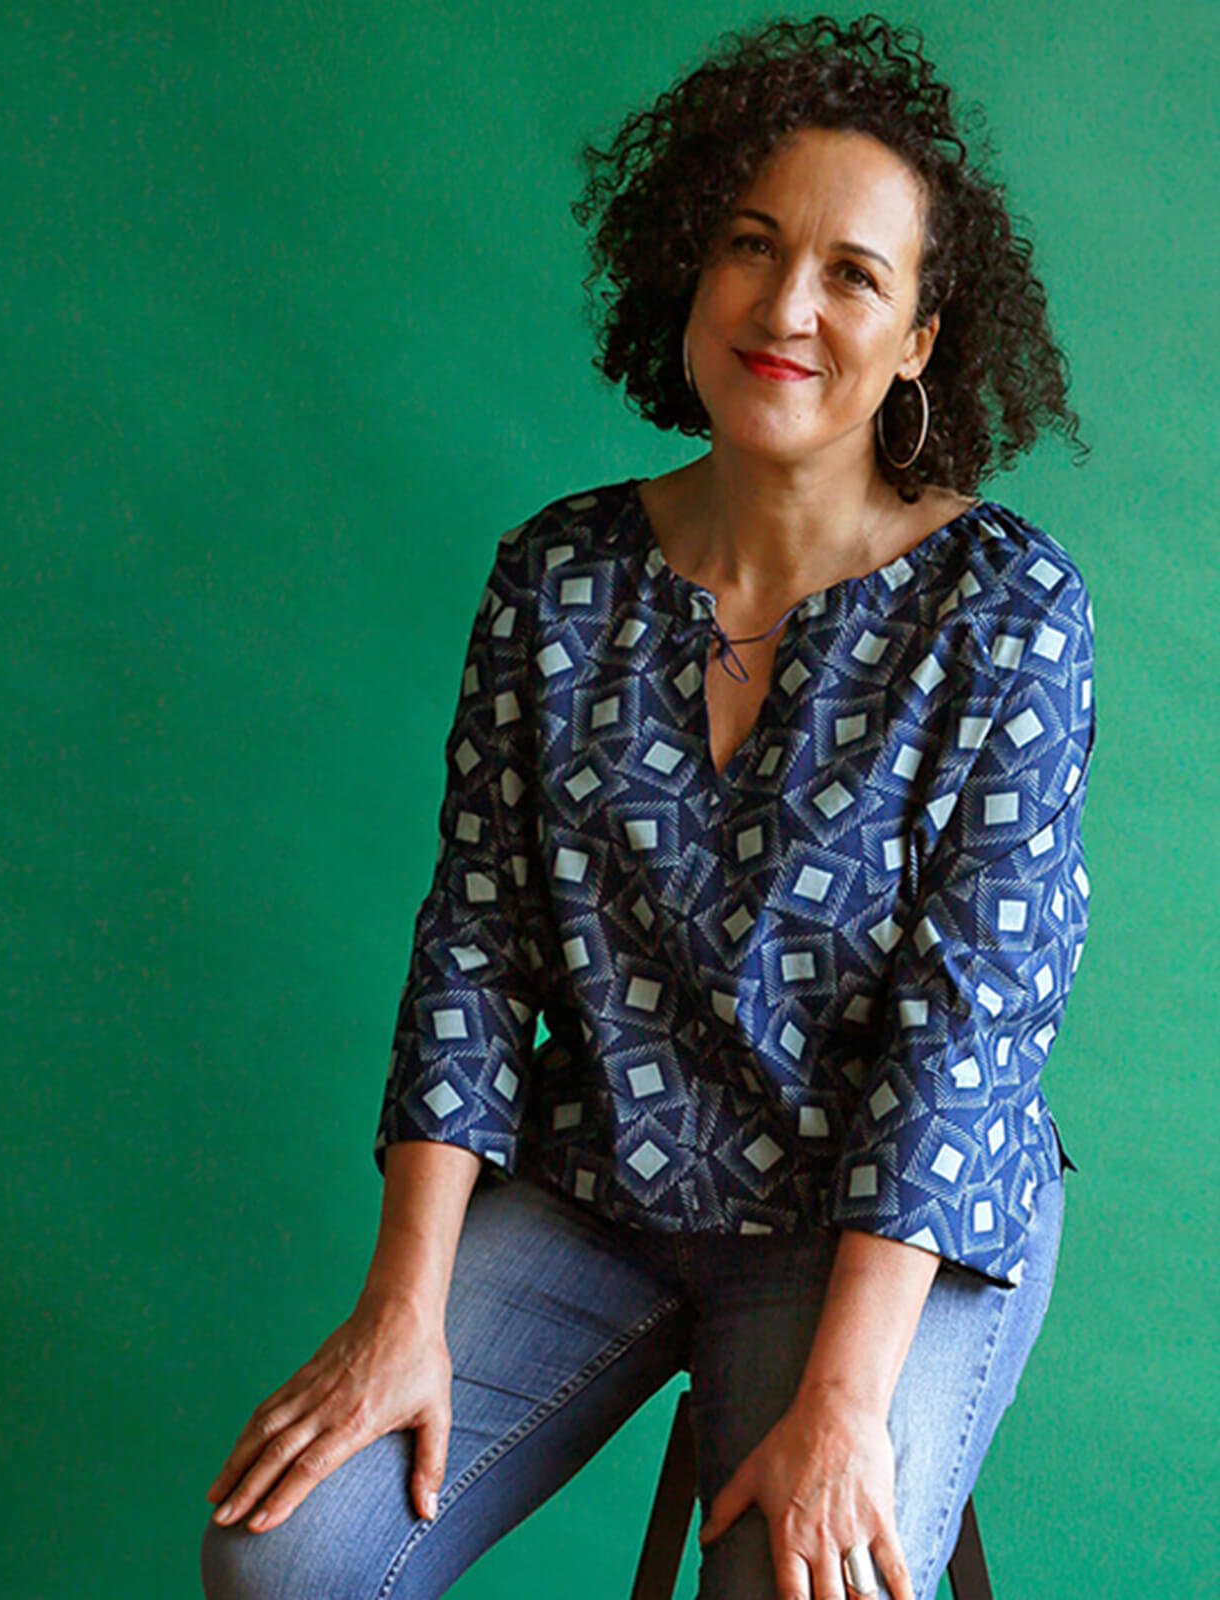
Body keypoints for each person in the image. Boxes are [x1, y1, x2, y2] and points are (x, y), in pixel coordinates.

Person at [200, 14, 1096, 1599]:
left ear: (920, 341)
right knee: (284, 1561)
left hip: (880, 1226)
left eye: (852, 275)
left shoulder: (1007, 609)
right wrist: (400, 1311)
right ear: (692, 265)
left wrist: (847, 1407)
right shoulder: (558, 576)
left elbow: (970, 1031)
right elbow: (476, 950)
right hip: (603, 1186)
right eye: (752, 245)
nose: (786, 306)